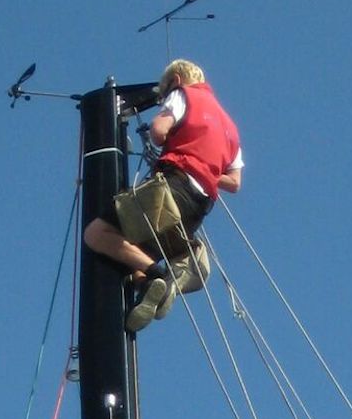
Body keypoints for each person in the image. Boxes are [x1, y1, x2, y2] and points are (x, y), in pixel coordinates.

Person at [83, 59, 243, 331]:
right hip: (199, 205)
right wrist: (203, 166)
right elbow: (234, 182)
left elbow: (158, 132)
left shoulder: (183, 96)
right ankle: (161, 275)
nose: (163, 99)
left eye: (164, 92)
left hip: (173, 187)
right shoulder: (230, 127)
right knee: (132, 254)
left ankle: (161, 275)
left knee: (97, 234)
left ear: (176, 81)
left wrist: (164, 126)